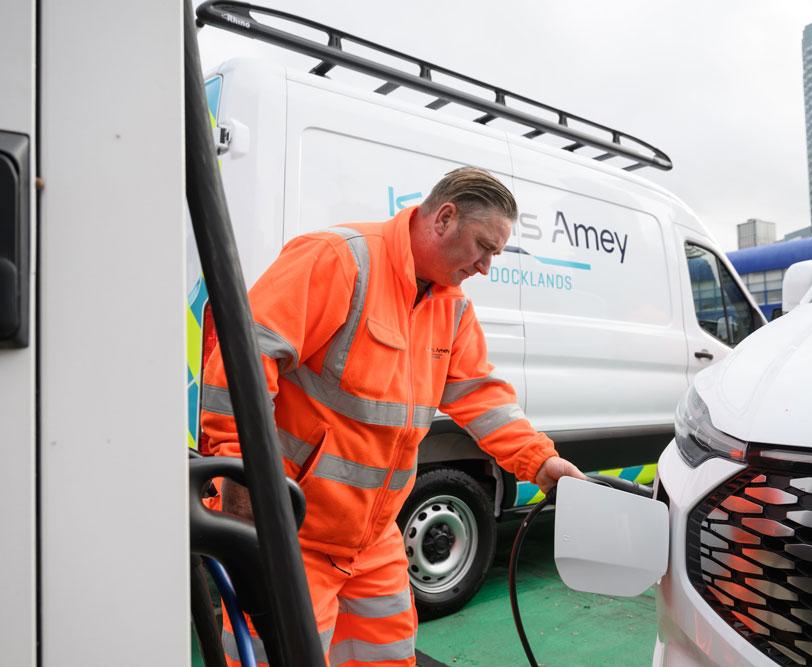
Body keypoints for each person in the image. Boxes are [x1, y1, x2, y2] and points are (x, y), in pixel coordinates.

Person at [200, 166, 585, 666]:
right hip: (294, 533)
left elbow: (483, 397)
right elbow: (242, 363)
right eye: (483, 247)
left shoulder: (452, 309)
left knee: (387, 654)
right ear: (444, 218)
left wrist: (540, 461)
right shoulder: (339, 260)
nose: (487, 267)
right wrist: (241, 477)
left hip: (374, 540)